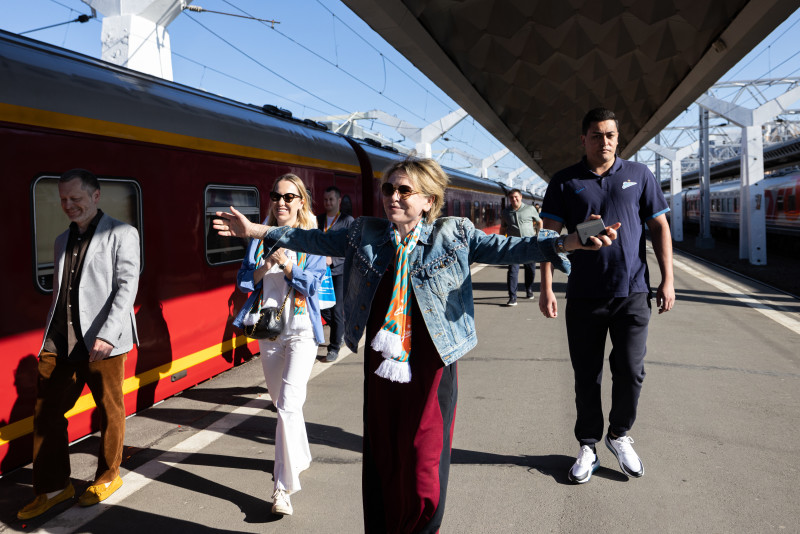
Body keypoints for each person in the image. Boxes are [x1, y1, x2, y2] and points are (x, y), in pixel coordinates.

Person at [215, 157, 620, 532]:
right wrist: (254, 230)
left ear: (428, 201)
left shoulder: (454, 234)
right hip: (382, 362)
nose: (393, 196)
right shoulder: (364, 233)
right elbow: (310, 240)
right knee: (384, 455)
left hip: (432, 363)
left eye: (404, 191)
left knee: (424, 462)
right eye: (389, 189)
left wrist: (572, 242)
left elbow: (515, 248)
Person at [538, 107, 675, 485]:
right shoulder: (565, 182)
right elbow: (546, 239)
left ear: (619, 138)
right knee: (587, 375)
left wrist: (668, 280)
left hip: (632, 291)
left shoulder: (638, 175)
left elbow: (660, 226)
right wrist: (547, 287)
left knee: (631, 370)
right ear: (583, 139)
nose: (605, 142)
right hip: (583, 296)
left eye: (611, 135)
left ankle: (618, 434)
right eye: (597, 135)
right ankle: (587, 444)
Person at [18, 169, 140, 520]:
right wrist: (47, 340)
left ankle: (108, 476)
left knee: (109, 409)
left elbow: (126, 286)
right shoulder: (61, 240)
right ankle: (55, 488)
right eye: (63, 200)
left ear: (96, 196)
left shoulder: (122, 233)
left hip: (104, 340)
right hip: (60, 340)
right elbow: (60, 295)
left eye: (76, 199)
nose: (69, 206)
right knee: (46, 414)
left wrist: (108, 332)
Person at [232, 173, 326, 517]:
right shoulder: (261, 238)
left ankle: (282, 488)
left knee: (287, 405)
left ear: (301, 202)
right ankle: (300, 456)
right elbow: (243, 281)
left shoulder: (312, 239)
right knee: (281, 402)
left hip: (301, 330)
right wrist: (266, 265)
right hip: (268, 331)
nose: (281, 203)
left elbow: (313, 286)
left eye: (289, 197)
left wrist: (289, 266)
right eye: (276, 196)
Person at [316, 186, 354, 362]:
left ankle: (334, 348)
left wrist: (334, 260)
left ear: (338, 201)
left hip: (339, 272)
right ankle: (342, 330)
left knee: (337, 309)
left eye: (331, 199)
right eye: (325, 200)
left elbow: (353, 249)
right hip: (320, 272)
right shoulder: (318, 220)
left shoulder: (348, 221)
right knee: (321, 308)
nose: (328, 203)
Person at [500, 189, 543, 306]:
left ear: (521, 197)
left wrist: (539, 234)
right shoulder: (506, 212)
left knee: (531, 270)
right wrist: (500, 241)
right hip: (513, 245)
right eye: (511, 198)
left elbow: (539, 221)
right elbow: (503, 228)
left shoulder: (530, 209)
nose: (514, 199)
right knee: (512, 271)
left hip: (529, 243)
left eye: (516, 197)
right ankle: (512, 297)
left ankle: (529, 289)